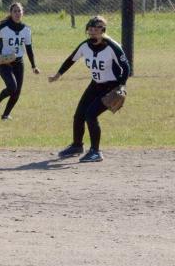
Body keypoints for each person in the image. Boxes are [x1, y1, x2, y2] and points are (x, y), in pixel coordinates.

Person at [48, 16, 131, 162]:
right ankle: (77, 145)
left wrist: (121, 86)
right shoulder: (85, 46)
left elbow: (126, 67)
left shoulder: (112, 47)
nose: (92, 32)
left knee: (91, 115)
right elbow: (71, 59)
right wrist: (58, 75)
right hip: (95, 84)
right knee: (79, 114)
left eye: (96, 29)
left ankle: (96, 152)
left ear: (103, 31)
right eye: (90, 29)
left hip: (111, 86)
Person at [0, 2, 39, 120]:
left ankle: (5, 115)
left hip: (19, 62)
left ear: (23, 13)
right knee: (12, 87)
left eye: (19, 11)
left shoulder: (26, 30)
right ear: (11, 13)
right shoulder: (3, 27)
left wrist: (34, 66)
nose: (17, 13)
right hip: (5, 63)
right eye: (15, 11)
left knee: (17, 92)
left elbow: (29, 49)